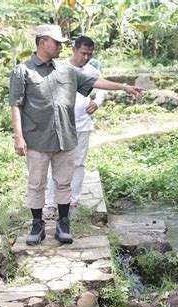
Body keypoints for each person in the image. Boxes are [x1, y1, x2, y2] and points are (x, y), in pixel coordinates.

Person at [9, 25, 143, 245]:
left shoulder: (67, 70)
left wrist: (124, 87)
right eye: (57, 43)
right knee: (36, 184)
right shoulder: (23, 71)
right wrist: (18, 136)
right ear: (43, 42)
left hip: (65, 137)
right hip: (36, 139)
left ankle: (63, 223)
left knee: (64, 183)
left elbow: (94, 82)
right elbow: (15, 104)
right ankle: (37, 225)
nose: (61, 47)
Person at [45, 36, 105, 212]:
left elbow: (102, 89)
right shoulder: (59, 67)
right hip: (60, 125)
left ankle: (73, 201)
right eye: (83, 53)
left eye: (89, 54)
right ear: (74, 50)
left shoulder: (92, 71)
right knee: (56, 163)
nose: (86, 57)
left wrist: (97, 102)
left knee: (78, 163)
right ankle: (51, 203)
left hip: (83, 123)